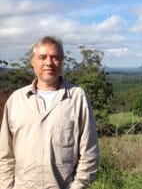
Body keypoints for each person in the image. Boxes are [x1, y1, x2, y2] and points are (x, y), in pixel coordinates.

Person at [0, 36, 99, 189]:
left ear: (61, 62)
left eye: (55, 57)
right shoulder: (16, 100)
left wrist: (78, 186)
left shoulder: (77, 97)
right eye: (42, 57)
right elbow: (5, 154)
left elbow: (89, 151)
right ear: (32, 61)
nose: (48, 62)